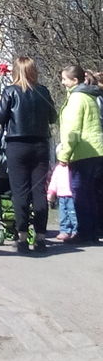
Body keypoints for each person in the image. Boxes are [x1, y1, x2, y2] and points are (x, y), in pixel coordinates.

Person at [0, 56, 57, 254]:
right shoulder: (43, 91)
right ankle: (40, 237)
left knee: (20, 192)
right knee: (39, 191)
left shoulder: (11, 91)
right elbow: (53, 117)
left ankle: (22, 237)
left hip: (17, 145)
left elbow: (0, 117)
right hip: (40, 144)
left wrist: (0, 101)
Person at [57, 63, 103, 244]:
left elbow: (72, 130)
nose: (62, 83)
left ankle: (84, 232)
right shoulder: (90, 96)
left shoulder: (77, 99)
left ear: (75, 80)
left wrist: (64, 155)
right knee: (92, 194)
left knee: (81, 194)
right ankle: (93, 231)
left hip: (83, 152)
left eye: (64, 79)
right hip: (97, 150)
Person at [47, 160, 78, 242]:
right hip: (61, 195)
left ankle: (75, 231)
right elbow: (54, 181)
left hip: (71, 195)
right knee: (63, 214)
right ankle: (64, 231)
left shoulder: (73, 167)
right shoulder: (58, 168)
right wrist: (51, 192)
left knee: (72, 214)